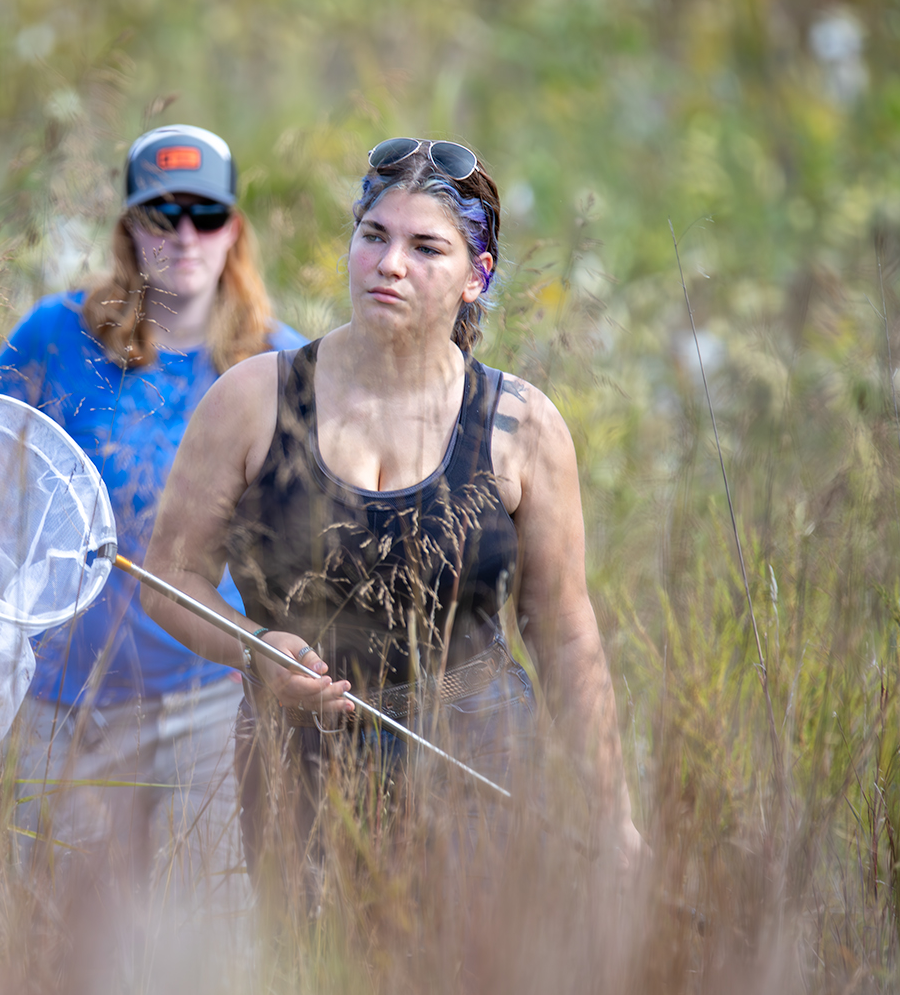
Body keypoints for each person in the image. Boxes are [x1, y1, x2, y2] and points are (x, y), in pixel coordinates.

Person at [141, 137, 642, 902]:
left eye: (426, 248)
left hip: (480, 762)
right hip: (296, 764)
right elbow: (167, 577)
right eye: (373, 236)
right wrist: (253, 647)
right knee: (314, 972)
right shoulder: (253, 399)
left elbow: (566, 633)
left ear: (477, 276)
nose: (390, 264)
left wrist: (613, 818)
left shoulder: (521, 425)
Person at [0, 125, 307, 898]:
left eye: (206, 213)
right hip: (66, 700)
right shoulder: (55, 336)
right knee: (63, 940)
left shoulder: (281, 364)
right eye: (163, 214)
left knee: (199, 945)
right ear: (130, 228)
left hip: (209, 702)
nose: (185, 235)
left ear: (234, 230)